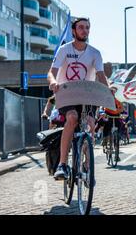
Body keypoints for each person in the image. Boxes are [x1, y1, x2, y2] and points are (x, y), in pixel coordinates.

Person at [47, 17, 114, 180]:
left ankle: (86, 162)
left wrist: (108, 88)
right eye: (81, 27)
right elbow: (51, 72)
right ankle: (62, 164)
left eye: (87, 28)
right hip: (67, 93)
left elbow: (100, 75)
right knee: (72, 118)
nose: (85, 30)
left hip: (88, 94)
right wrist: (53, 82)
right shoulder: (64, 50)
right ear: (74, 31)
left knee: (91, 125)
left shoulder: (95, 53)